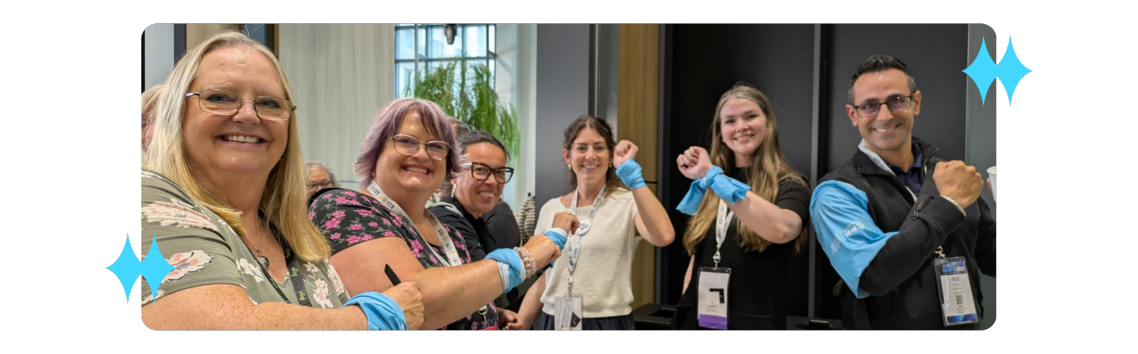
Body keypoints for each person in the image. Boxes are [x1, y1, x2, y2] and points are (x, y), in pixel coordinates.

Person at [140, 31, 423, 330]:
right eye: (219, 98)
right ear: (177, 114)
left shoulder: (301, 241)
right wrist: (372, 318)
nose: (248, 115)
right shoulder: (149, 196)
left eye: (270, 103)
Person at [309, 98, 575, 331]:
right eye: (406, 142)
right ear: (376, 150)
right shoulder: (344, 207)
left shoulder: (449, 233)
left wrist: (489, 312)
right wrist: (525, 258)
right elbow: (415, 304)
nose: (422, 154)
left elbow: (466, 295)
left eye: (436, 147)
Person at [810, 55, 996, 330]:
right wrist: (948, 204)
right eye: (870, 106)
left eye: (897, 100)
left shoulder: (949, 174)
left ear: (916, 102)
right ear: (853, 114)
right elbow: (875, 274)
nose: (885, 116)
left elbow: (991, 256)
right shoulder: (836, 192)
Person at [511, 115, 676, 331]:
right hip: (555, 318)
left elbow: (664, 236)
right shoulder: (550, 208)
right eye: (581, 148)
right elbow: (546, 278)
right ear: (567, 156)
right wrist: (520, 324)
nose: (590, 155)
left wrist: (635, 180)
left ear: (610, 155)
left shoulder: (627, 202)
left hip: (608, 321)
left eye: (599, 147)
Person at [670, 83, 812, 330]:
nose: (741, 127)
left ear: (768, 123)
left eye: (750, 116)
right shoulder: (710, 185)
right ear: (720, 132)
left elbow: (782, 229)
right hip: (698, 321)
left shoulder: (791, 185)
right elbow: (697, 257)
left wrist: (713, 178)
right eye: (730, 121)